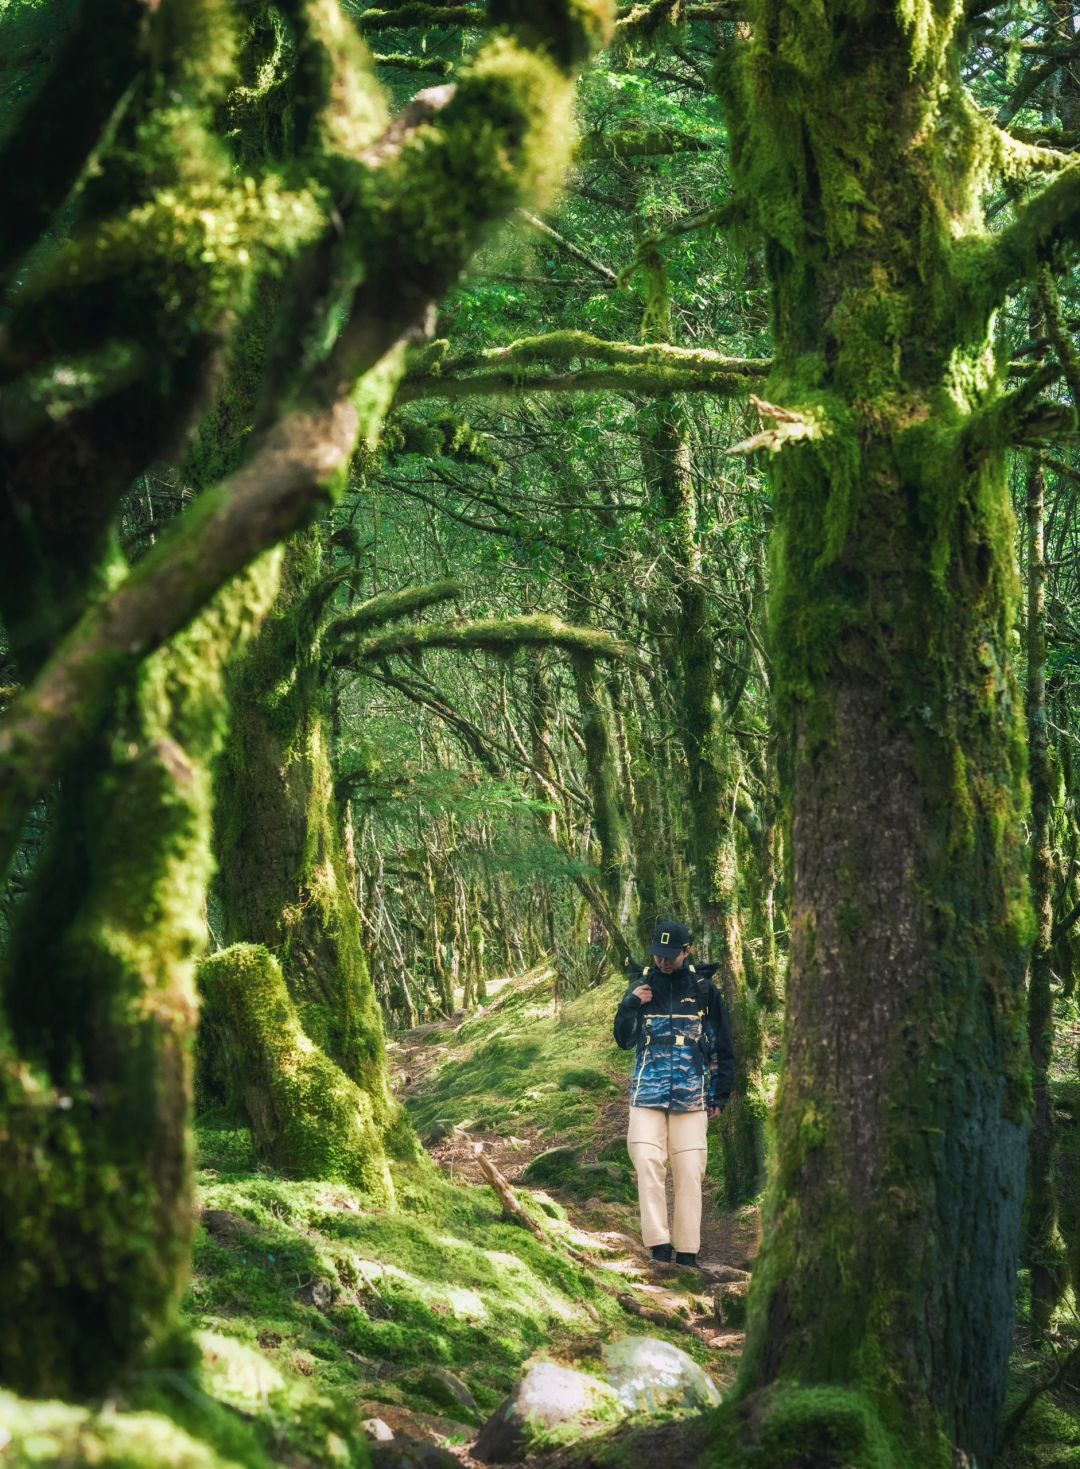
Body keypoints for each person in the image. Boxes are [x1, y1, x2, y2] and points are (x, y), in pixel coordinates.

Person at [613, 918, 735, 1268]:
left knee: (689, 1168)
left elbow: (722, 1046)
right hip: (647, 1091)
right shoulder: (641, 987)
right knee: (648, 1161)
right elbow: (624, 1040)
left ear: (687, 951)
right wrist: (630, 1004)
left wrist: (720, 1094)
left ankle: (687, 1252)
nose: (663, 962)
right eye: (658, 955)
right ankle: (659, 1245)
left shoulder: (704, 991)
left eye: (670, 956)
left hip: (691, 1095)